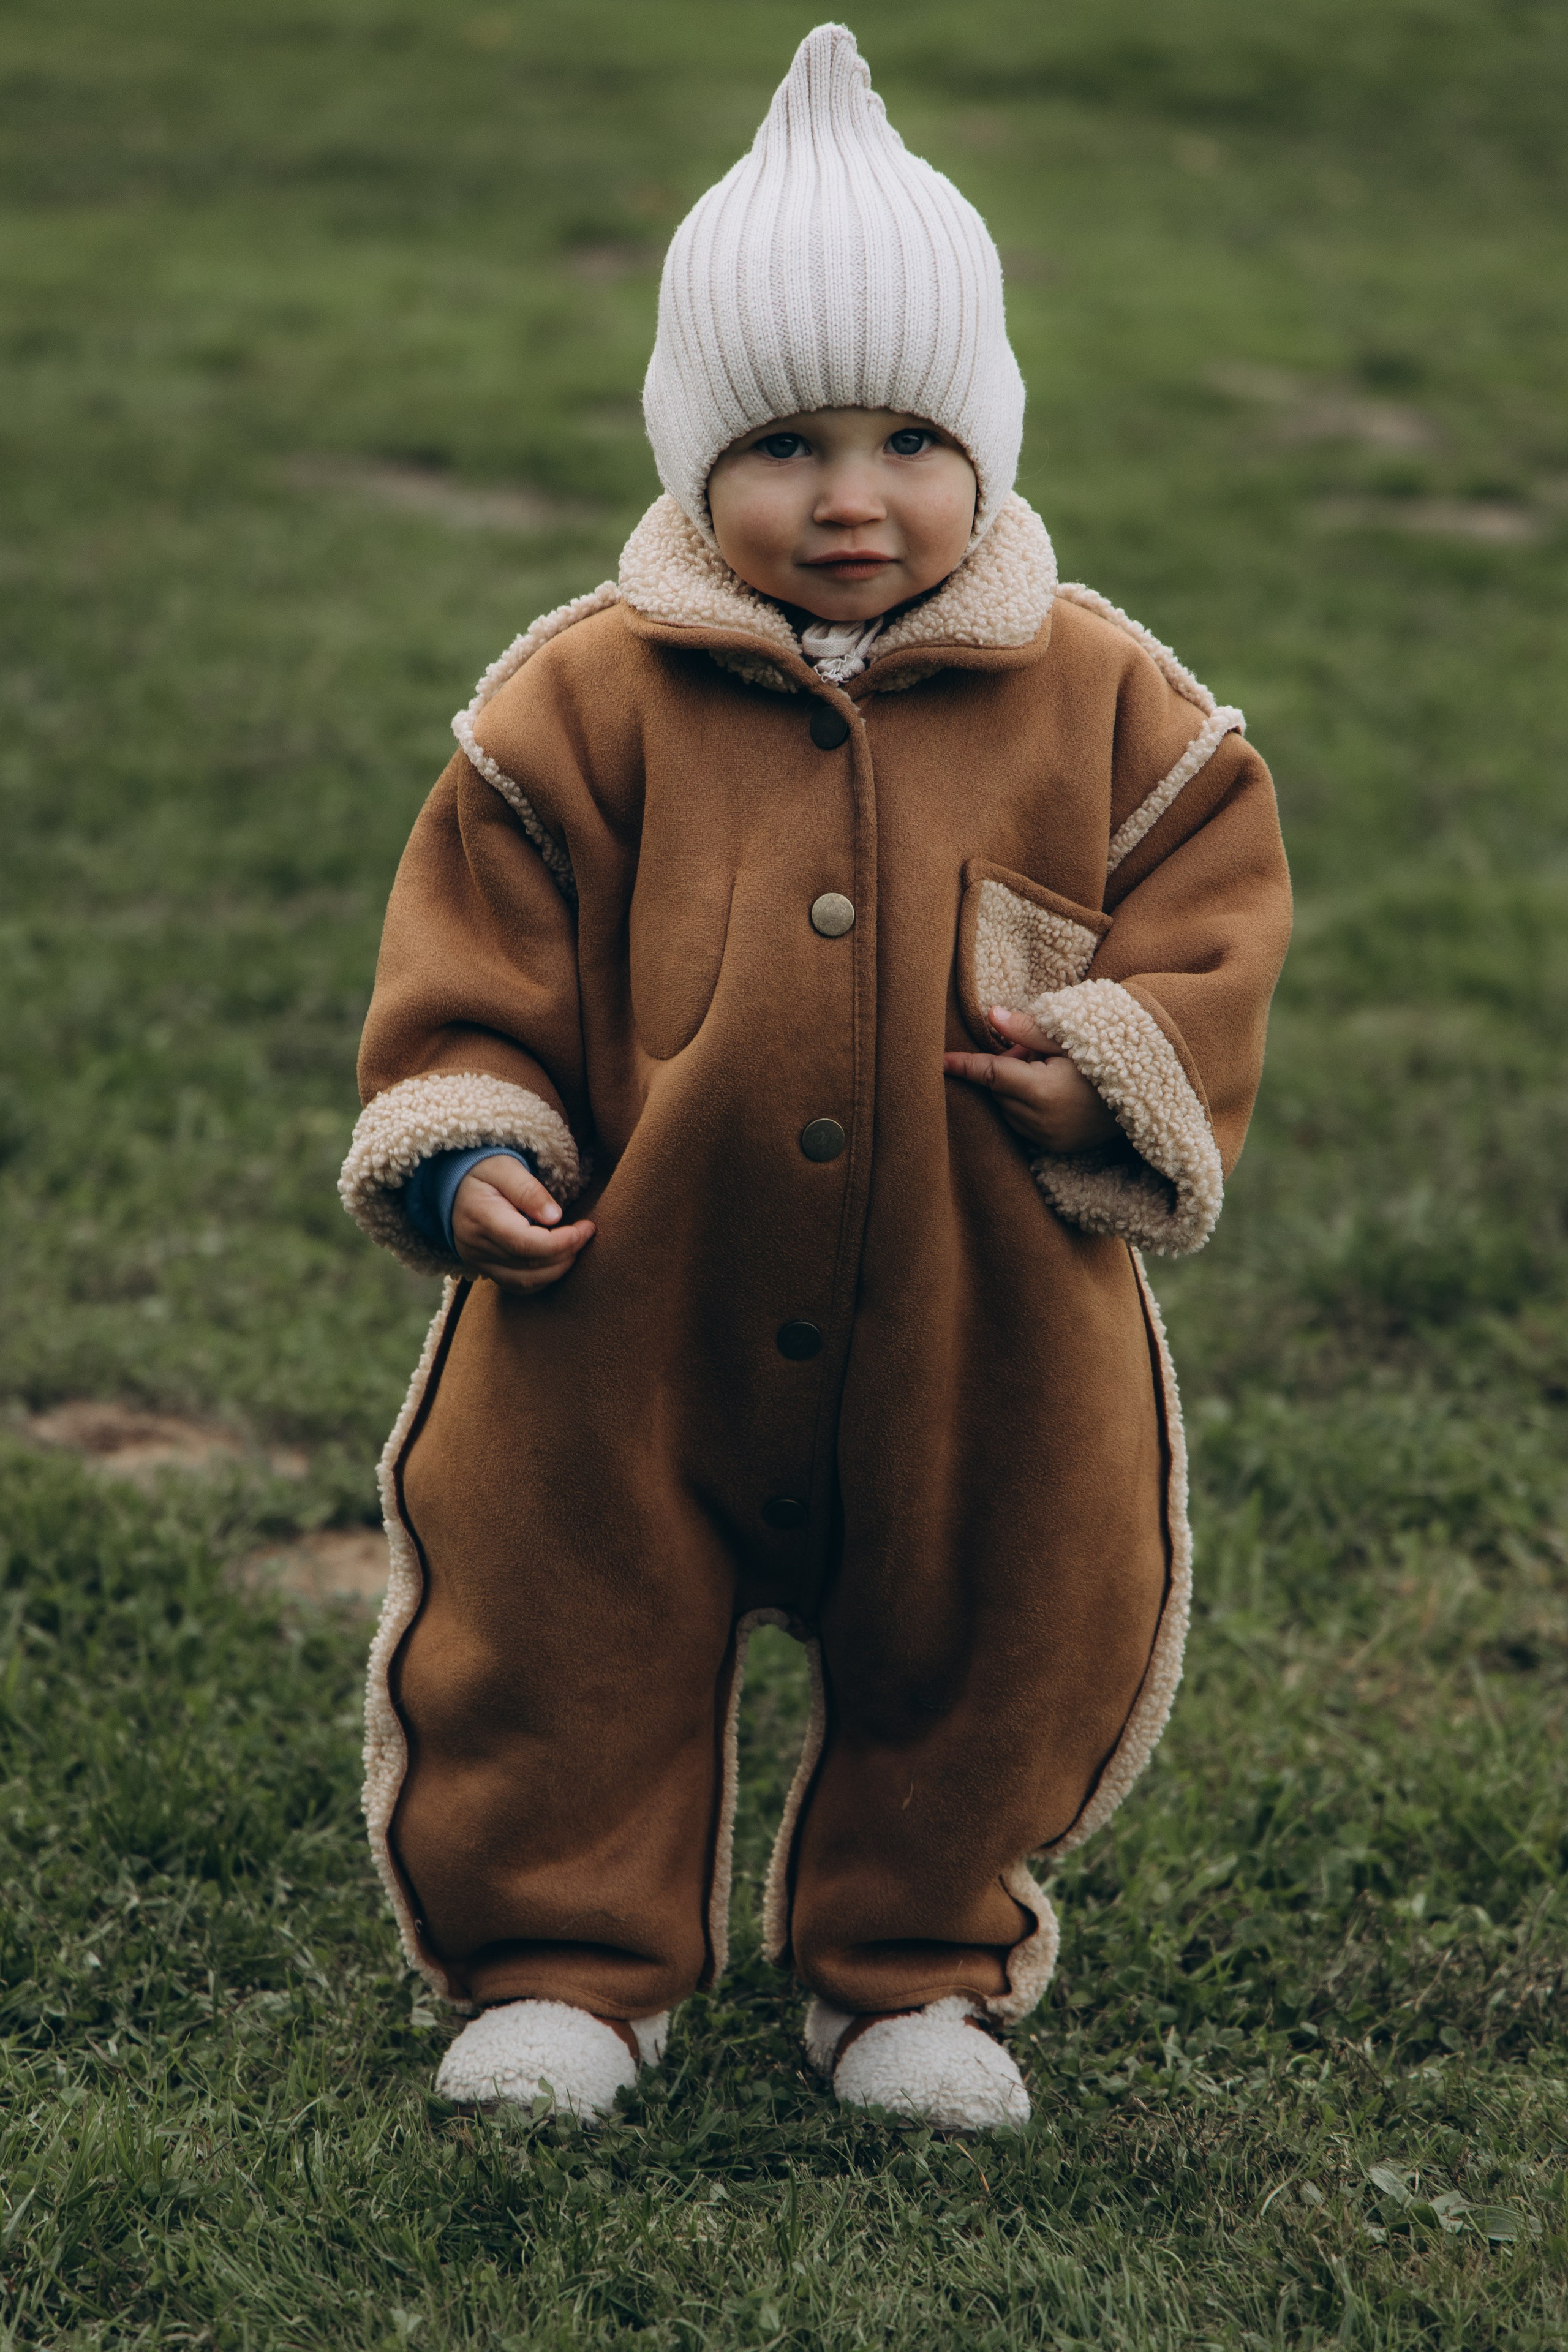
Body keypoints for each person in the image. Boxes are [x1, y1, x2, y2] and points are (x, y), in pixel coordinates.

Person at [340, 22, 1291, 2133]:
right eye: (781, 443)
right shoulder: (581, 699)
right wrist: (471, 1139)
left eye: (903, 438)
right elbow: (473, 966)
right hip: (635, 1295)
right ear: (691, 454)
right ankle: (571, 1964)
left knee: (999, 1610)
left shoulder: (1106, 693)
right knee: (562, 1607)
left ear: (990, 444)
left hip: (980, 1318)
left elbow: (1211, 913)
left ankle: (911, 1970)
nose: (849, 496)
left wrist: (1113, 1070)